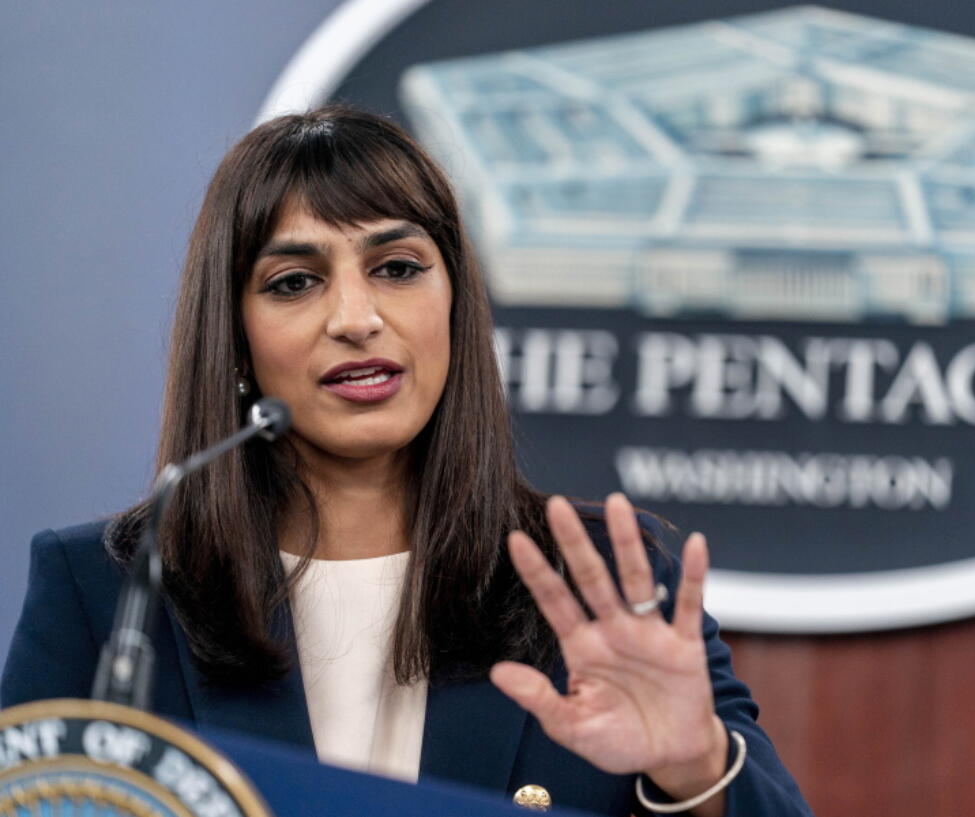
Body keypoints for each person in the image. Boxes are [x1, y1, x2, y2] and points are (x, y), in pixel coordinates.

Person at [1, 106, 812, 817]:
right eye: (294, 281)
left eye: (397, 268)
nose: (357, 318)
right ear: (237, 337)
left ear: (454, 303)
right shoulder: (108, 589)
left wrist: (695, 767)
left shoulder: (595, 585)